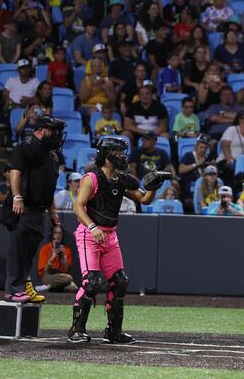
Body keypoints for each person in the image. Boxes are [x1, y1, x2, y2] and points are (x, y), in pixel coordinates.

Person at [67, 137, 170, 343]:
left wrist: (154, 186)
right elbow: (77, 206)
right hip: (89, 235)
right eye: (118, 151)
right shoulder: (92, 178)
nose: (123, 155)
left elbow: (143, 199)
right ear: (106, 155)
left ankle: (113, 331)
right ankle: (76, 330)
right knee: (92, 282)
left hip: (110, 236)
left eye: (123, 151)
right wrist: (93, 227)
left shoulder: (123, 178)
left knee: (120, 281)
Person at [5, 115, 65, 303]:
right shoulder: (26, 148)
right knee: (18, 250)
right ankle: (12, 290)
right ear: (41, 130)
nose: (56, 135)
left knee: (29, 253)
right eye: (53, 130)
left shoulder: (52, 156)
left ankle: (23, 287)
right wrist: (17, 197)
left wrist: (53, 211)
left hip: (40, 211)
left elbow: (49, 187)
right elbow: (16, 171)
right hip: (24, 207)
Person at [37, 224, 77, 292]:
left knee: (73, 287)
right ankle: (53, 286)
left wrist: (63, 257)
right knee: (69, 278)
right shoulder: (45, 248)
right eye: (55, 232)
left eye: (60, 233)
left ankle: (48, 287)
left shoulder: (66, 249)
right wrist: (52, 258)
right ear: (52, 234)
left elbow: (67, 270)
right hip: (48, 276)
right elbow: (43, 271)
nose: (58, 235)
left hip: (61, 276)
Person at [179, 135, 215, 200]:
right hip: (191, 183)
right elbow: (181, 169)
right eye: (201, 147)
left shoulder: (208, 158)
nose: (203, 150)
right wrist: (196, 164)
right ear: (196, 147)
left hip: (205, 185)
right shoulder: (189, 155)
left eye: (205, 148)